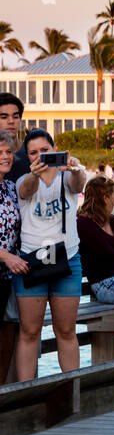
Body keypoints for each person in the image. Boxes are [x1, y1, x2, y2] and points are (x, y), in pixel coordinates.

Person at [14, 130, 88, 381]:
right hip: (32, 260)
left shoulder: (67, 176)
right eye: (33, 153)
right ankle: (27, 392)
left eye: (45, 151)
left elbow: (78, 185)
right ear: (27, 157)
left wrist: (76, 168)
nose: (40, 157)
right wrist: (36, 173)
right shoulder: (23, 179)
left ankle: (72, 390)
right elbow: (26, 190)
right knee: (30, 331)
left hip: (67, 256)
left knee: (66, 330)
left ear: (54, 148)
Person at [76, 175, 114, 303]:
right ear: (106, 198)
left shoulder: (112, 220)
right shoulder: (84, 224)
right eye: (113, 195)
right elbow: (108, 256)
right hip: (104, 283)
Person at [0, 131, 25, 381]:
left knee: (7, 331)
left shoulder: (9, 187)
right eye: (0, 153)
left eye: (8, 152)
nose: (6, 157)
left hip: (8, 276)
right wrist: (5, 256)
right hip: (5, 263)